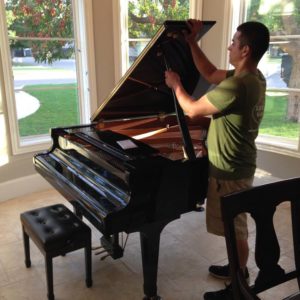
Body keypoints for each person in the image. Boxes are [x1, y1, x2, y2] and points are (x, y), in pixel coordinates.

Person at [165, 19, 270, 299]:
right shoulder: (254, 78)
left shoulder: (237, 86)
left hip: (230, 169)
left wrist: (175, 85)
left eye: (234, 42)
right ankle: (237, 268)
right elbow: (210, 73)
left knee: (236, 229)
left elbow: (191, 110)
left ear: (245, 50)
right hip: (240, 163)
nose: (229, 46)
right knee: (234, 225)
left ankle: (238, 282)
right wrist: (191, 42)